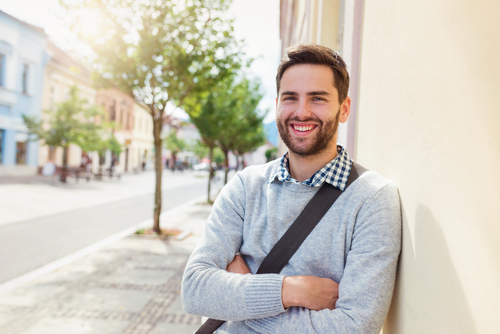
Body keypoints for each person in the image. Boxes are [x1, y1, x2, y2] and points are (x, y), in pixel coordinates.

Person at [182, 44, 402, 333]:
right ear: (277, 105)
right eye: (290, 98)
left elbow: (352, 327)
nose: (302, 112)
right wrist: (293, 291)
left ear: (344, 109)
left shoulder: (373, 199)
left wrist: (239, 302)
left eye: (318, 98)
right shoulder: (245, 187)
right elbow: (195, 289)